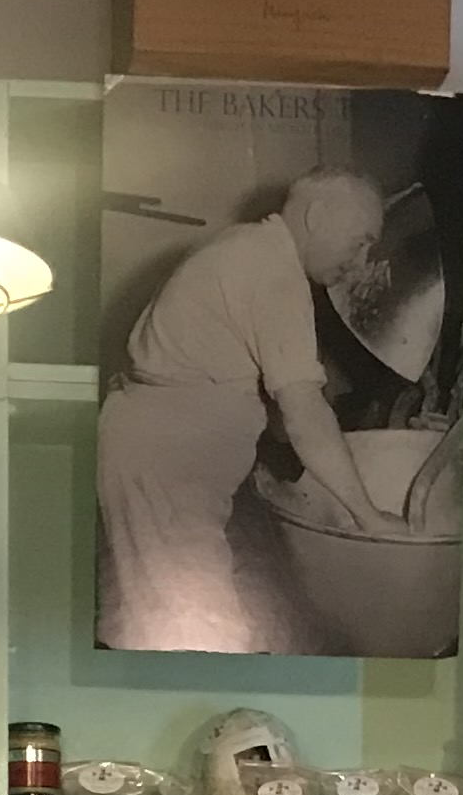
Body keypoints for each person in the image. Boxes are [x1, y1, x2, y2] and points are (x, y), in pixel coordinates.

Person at [96, 168, 410, 650]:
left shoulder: (255, 251)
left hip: (161, 462)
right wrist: (369, 516)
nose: (361, 261)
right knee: (205, 636)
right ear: (318, 215)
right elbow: (304, 415)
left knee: (154, 621)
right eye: (361, 242)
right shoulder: (271, 270)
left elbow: (281, 405)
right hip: (164, 471)